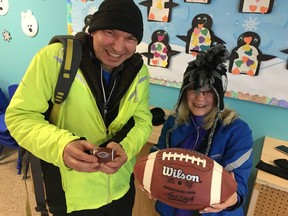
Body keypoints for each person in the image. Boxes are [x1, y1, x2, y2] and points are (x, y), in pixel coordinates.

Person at [5, 0, 152, 215]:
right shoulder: (55, 58)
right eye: (110, 32)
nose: (119, 47)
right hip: (71, 195)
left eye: (130, 38)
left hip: (120, 188)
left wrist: (126, 148)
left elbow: (143, 120)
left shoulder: (139, 71)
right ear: (93, 31)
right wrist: (62, 146)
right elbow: (20, 116)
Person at [150, 44, 253, 216]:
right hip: (170, 209)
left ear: (219, 94)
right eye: (193, 90)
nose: (199, 98)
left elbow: (239, 186)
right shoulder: (173, 123)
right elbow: (158, 157)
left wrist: (231, 198)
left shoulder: (237, 132)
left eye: (208, 92)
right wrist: (149, 177)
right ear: (184, 92)